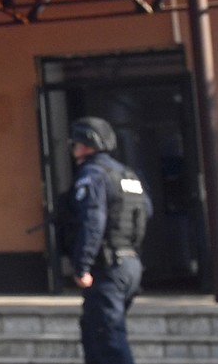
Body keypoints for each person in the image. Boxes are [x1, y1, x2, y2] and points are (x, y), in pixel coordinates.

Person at [63, 117, 151, 364]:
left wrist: (82, 266)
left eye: (75, 144)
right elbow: (147, 212)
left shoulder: (93, 175)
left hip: (108, 268)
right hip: (129, 264)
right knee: (95, 333)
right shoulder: (128, 175)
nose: (73, 150)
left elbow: (93, 222)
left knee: (108, 339)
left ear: (85, 145)